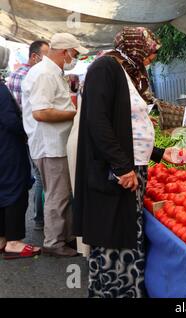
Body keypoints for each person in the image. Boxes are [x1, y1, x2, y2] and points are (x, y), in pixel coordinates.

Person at [73, 27, 186, 298]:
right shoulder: (105, 68)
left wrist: (159, 154)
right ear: (136, 46)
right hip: (114, 172)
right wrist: (121, 167)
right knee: (115, 237)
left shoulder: (127, 71)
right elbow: (98, 122)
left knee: (129, 236)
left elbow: (131, 128)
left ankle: (129, 291)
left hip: (130, 167)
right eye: (150, 52)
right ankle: (115, 292)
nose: (151, 58)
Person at [21, 33, 88, 257]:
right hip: (50, 145)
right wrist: (75, 114)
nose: (75, 58)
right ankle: (54, 242)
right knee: (57, 195)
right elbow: (41, 113)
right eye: (75, 53)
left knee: (62, 194)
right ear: (64, 51)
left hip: (56, 143)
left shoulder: (52, 72)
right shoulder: (44, 74)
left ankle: (65, 236)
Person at [0, 45, 41, 259]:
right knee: (15, 189)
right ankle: (14, 242)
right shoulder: (0, 90)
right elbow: (9, 120)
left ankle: (2, 238)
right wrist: (26, 129)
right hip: (8, 148)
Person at [7, 40, 49, 231]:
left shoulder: (14, 75)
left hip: (20, 135)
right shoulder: (31, 76)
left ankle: (37, 217)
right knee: (40, 177)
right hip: (32, 132)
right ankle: (40, 219)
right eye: (45, 56)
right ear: (34, 56)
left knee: (32, 175)